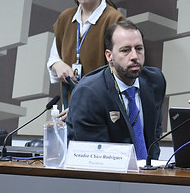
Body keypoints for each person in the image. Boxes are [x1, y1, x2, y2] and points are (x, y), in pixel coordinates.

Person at [67, 21, 166, 160]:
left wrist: (151, 166)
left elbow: (154, 134)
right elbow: (97, 156)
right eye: (125, 50)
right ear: (109, 56)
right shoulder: (89, 92)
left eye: (139, 48)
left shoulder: (155, 81)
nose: (135, 56)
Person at [46, 0, 125, 109]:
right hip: (70, 108)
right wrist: (58, 65)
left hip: (102, 110)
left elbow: (120, 72)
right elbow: (53, 58)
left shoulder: (114, 19)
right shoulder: (65, 18)